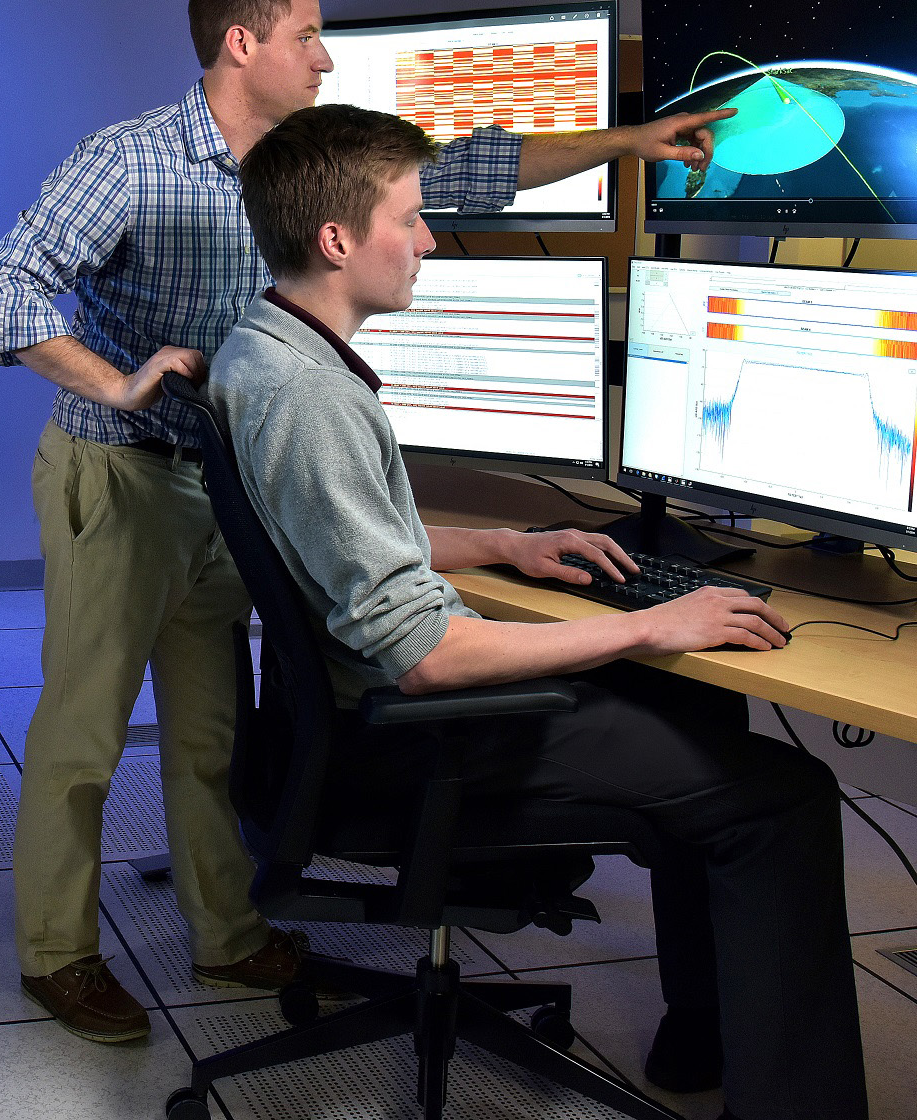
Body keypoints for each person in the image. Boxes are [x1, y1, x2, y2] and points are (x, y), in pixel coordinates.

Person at [0, 0, 736, 1044]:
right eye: (309, 36)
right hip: (123, 473)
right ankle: (58, 951)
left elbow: (478, 170)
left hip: (231, 481)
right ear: (244, 43)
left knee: (209, 733)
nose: (327, 58)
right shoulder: (132, 160)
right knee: (84, 729)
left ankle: (226, 932)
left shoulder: (310, 160)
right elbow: (1, 284)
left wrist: (627, 140)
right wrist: (117, 378)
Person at [208, 103, 867, 1120]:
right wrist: (654, 622)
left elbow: (340, 538)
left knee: (706, 715)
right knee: (783, 796)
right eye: (412, 218)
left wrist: (503, 546)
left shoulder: (266, 347)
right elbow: (423, 656)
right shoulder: (312, 397)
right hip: (406, 741)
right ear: (337, 240)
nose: (429, 240)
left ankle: (705, 1028)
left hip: (333, 719)